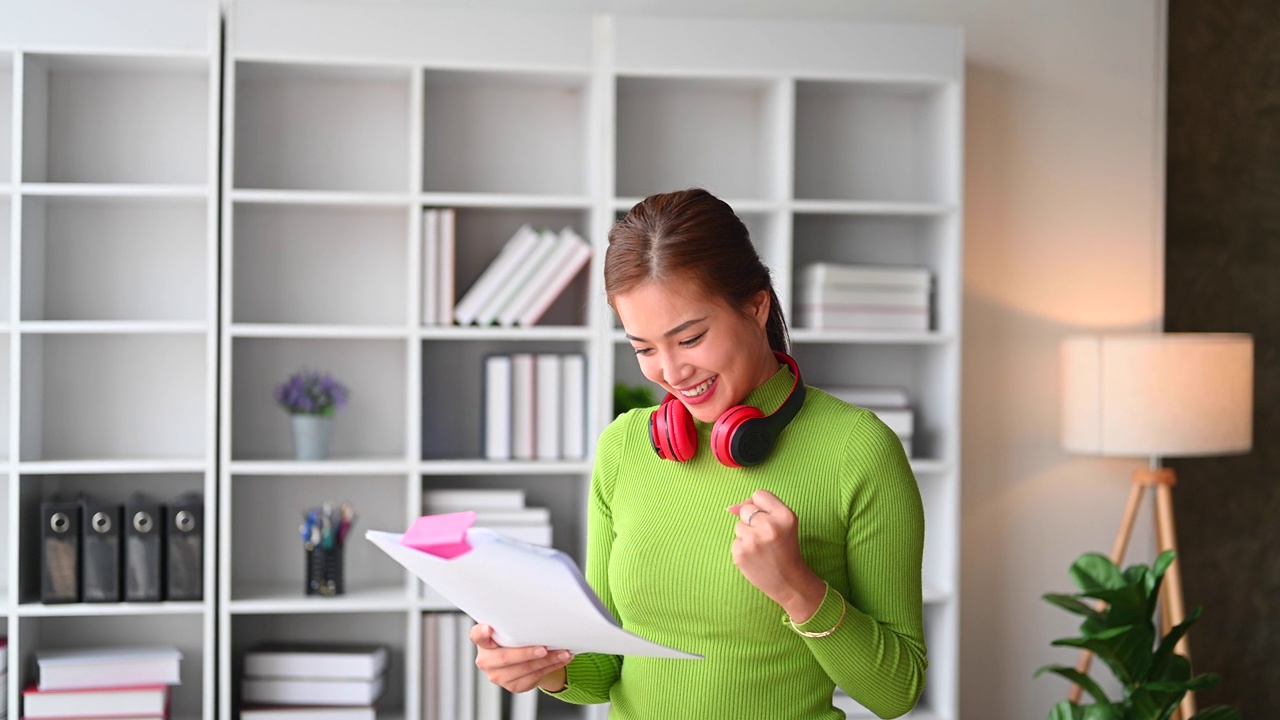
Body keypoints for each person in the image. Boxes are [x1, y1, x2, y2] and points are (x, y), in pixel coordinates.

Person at [472, 188, 927, 719]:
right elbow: (605, 667)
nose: (670, 372)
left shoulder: (858, 450)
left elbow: (896, 691)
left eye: (689, 339)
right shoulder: (625, 447)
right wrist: (543, 667)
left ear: (756, 306)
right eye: (643, 348)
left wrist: (798, 589)